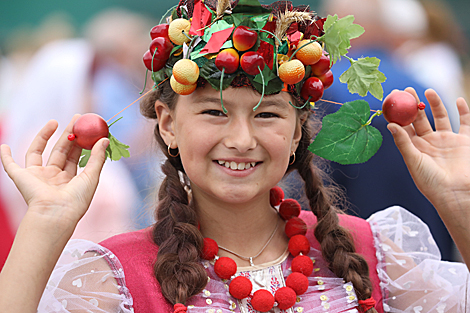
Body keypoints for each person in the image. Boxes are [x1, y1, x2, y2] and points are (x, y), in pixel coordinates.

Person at [0, 0, 470, 312]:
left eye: (267, 115)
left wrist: (460, 204)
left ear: (297, 132)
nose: (242, 139)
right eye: (213, 112)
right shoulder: (116, 281)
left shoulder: (374, 256)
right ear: (167, 123)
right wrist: (46, 220)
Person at [319, 0, 457, 261]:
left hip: (359, 263)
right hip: (430, 258)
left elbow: (316, 184)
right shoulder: (424, 89)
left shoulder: (328, 93)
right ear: (386, 29)